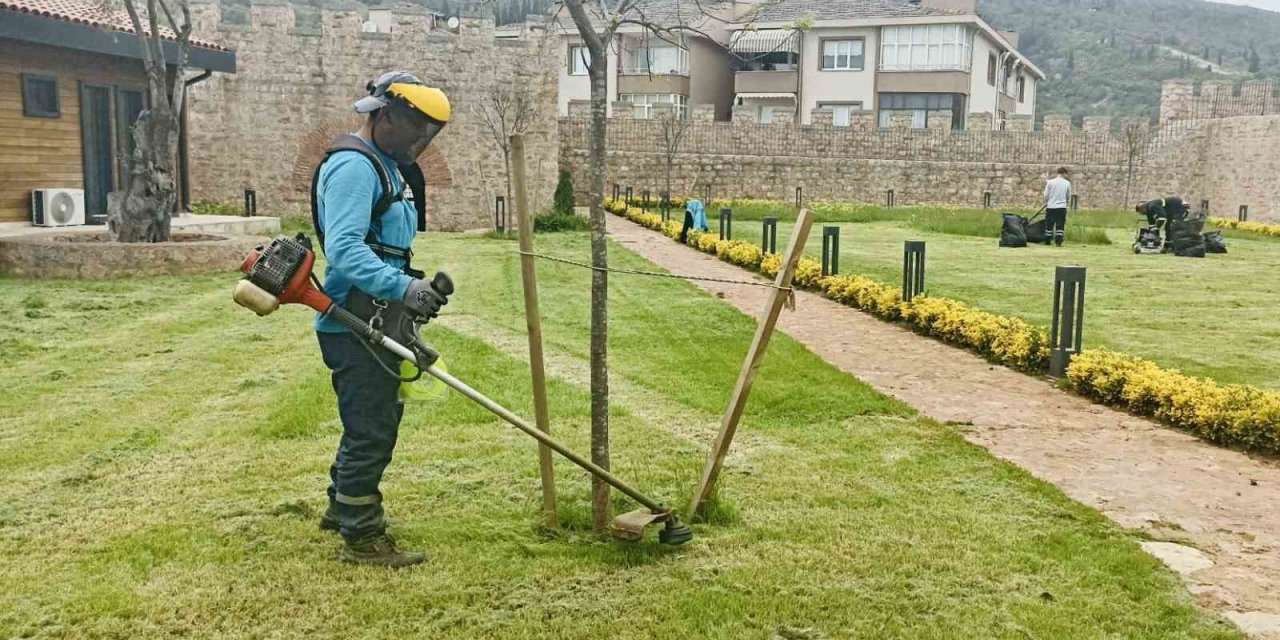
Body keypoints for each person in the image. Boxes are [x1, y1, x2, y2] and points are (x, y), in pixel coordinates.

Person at [309, 71, 451, 567]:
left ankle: (340, 506)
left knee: (371, 419)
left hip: (378, 314)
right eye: (416, 128)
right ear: (384, 114)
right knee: (371, 426)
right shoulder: (355, 167)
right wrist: (403, 287)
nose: (422, 141)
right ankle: (363, 536)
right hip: (353, 318)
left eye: (431, 133)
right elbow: (346, 250)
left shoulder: (387, 165)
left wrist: (412, 292)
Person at [1042, 167, 1072, 246]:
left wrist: (1048, 201)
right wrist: (1066, 202)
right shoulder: (1067, 183)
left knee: (1049, 224)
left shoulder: (1050, 182)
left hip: (1051, 206)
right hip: (1061, 207)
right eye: (1066, 174)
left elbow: (1045, 195)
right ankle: (1058, 242)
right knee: (1060, 224)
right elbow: (1068, 196)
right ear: (1064, 173)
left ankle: (1047, 240)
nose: (1067, 176)